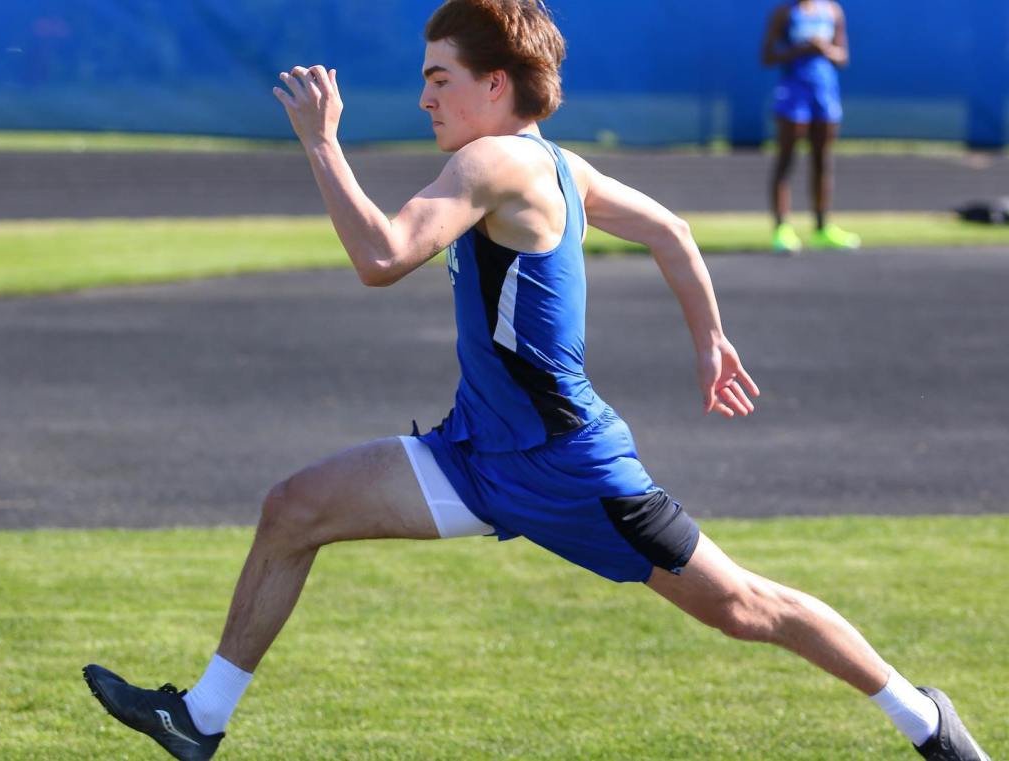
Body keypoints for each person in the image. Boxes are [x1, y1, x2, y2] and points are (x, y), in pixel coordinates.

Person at [83, 2, 989, 759]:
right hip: (477, 454)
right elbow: (671, 229)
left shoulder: (494, 161)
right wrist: (710, 339)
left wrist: (323, 143)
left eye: (440, 77)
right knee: (295, 507)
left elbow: (381, 257)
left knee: (747, 606)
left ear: (495, 84)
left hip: (566, 466)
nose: (425, 96)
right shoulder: (559, 163)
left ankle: (926, 719)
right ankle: (201, 716)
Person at [762, 0, 861, 253]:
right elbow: (767, 56)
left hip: (824, 91)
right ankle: (782, 229)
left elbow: (842, 57)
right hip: (794, 93)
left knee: (822, 160)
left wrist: (824, 49)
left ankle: (822, 227)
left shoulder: (832, 11)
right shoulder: (785, 13)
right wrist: (802, 48)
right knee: (787, 159)